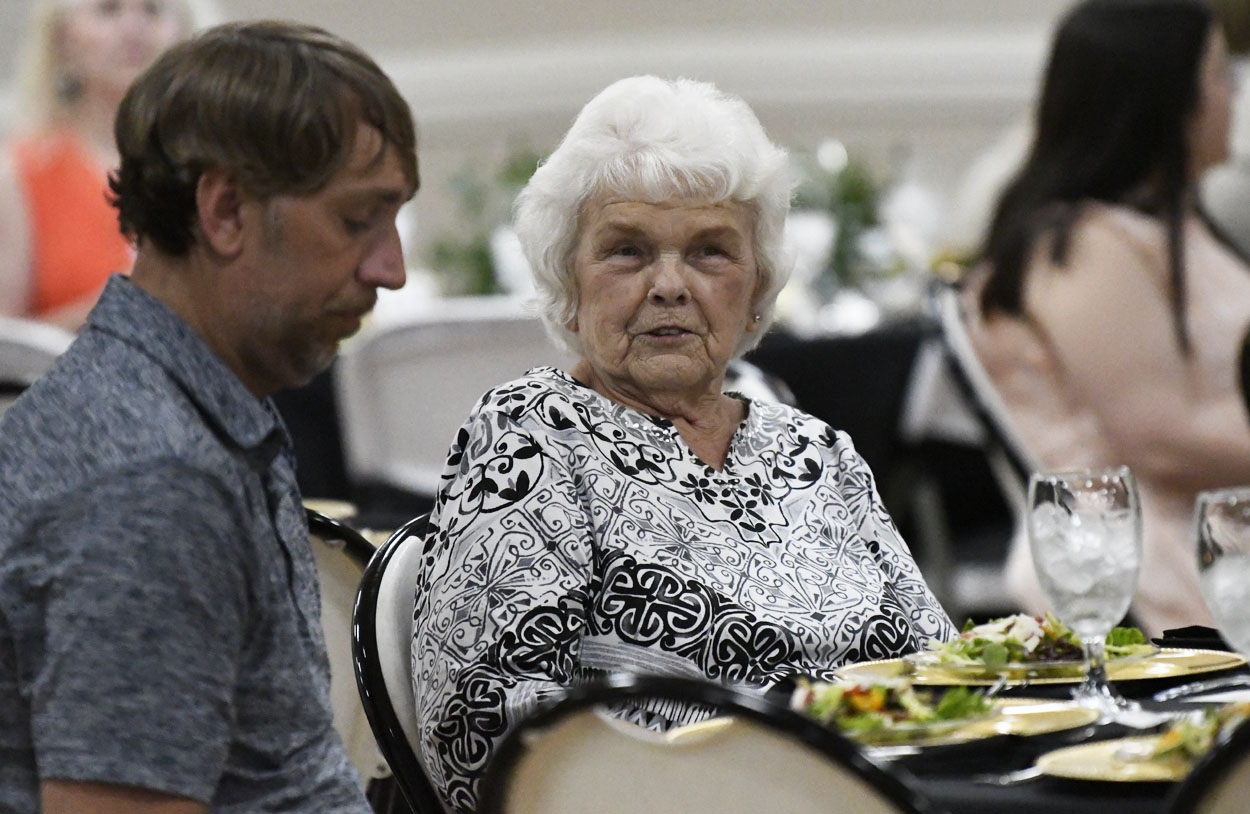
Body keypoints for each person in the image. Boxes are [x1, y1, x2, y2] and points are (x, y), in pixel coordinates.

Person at [411, 75, 955, 813]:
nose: (669, 284)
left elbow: (943, 670)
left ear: (756, 288)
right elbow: (485, 734)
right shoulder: (532, 434)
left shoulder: (816, 450)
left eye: (709, 253)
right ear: (568, 283)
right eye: (627, 252)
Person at [0, 20, 418, 813]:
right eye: (357, 220)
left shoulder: (184, 409)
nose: (390, 268)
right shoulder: (151, 481)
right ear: (225, 212)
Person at [966, 0, 1250, 636]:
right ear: (1163, 98)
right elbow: (1162, 438)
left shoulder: (1171, 223)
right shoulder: (1084, 247)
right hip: (1165, 563)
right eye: (1216, 74)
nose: (1233, 92)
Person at [0, 0, 214, 328]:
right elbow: (9, 347)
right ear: (62, 38)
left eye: (153, 10)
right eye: (108, 9)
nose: (134, 29)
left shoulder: (215, 169)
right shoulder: (18, 173)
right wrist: (125, 302)